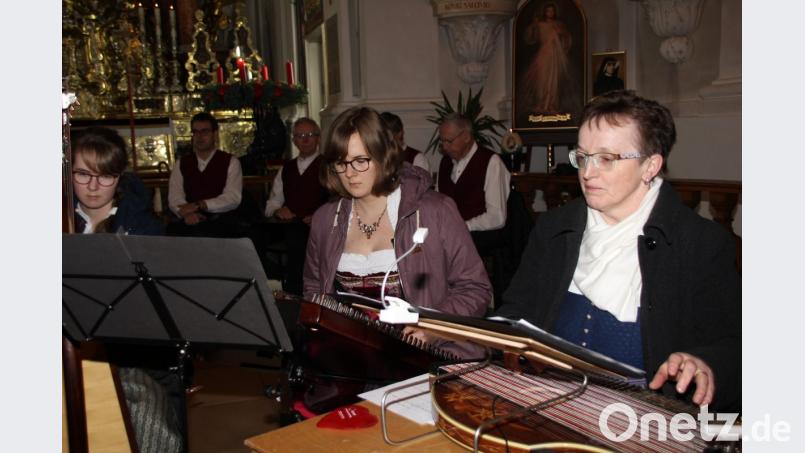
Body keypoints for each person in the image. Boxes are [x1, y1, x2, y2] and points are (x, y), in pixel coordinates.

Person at [496, 91, 740, 411]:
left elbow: (735, 345)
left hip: (648, 419)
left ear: (650, 165)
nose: (587, 172)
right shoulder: (555, 228)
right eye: (582, 156)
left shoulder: (699, 244)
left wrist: (704, 363)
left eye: (606, 159)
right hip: (548, 405)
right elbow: (515, 311)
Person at [301, 106, 491, 412]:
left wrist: (432, 327)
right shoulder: (326, 220)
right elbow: (314, 288)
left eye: (361, 160)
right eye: (341, 162)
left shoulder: (434, 210)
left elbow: (476, 288)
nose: (350, 173)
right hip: (349, 366)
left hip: (422, 361)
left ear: (383, 155)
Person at [71, 127, 186, 453]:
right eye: (82, 174)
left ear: (120, 178)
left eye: (105, 176)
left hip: (131, 356)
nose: (93, 187)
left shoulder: (143, 228)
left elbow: (161, 305)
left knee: (146, 421)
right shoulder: (60, 220)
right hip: (70, 354)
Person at [259, 117, 329, 294]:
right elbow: (272, 203)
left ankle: (308, 294)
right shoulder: (286, 169)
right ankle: (292, 295)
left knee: (301, 241)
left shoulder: (329, 167)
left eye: (309, 135)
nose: (305, 140)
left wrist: (319, 217)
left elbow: (339, 203)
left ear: (318, 138)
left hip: (321, 229)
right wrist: (277, 210)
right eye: (299, 136)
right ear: (293, 141)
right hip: (291, 228)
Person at [436, 113, 511, 257]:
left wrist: (464, 226)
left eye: (449, 141)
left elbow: (497, 217)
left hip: (480, 238)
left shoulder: (491, 162)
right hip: (450, 237)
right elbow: (439, 205)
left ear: (466, 136)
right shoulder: (445, 163)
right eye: (442, 141)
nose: (445, 147)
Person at [167, 112, 243, 237]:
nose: (200, 136)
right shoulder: (182, 163)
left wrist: (201, 205)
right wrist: (186, 213)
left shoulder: (231, 162)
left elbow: (232, 198)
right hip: (188, 220)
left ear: (215, 134)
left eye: (205, 131)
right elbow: (175, 197)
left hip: (221, 220)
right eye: (196, 132)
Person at [522, 2, 572, 113]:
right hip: (544, 54)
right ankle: (541, 104)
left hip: (556, 55)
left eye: (552, 10)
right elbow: (531, 38)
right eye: (548, 10)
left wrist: (561, 34)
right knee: (542, 80)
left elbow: (567, 39)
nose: (550, 12)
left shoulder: (559, 24)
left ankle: (551, 104)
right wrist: (534, 26)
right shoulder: (540, 24)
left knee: (553, 80)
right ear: (544, 12)